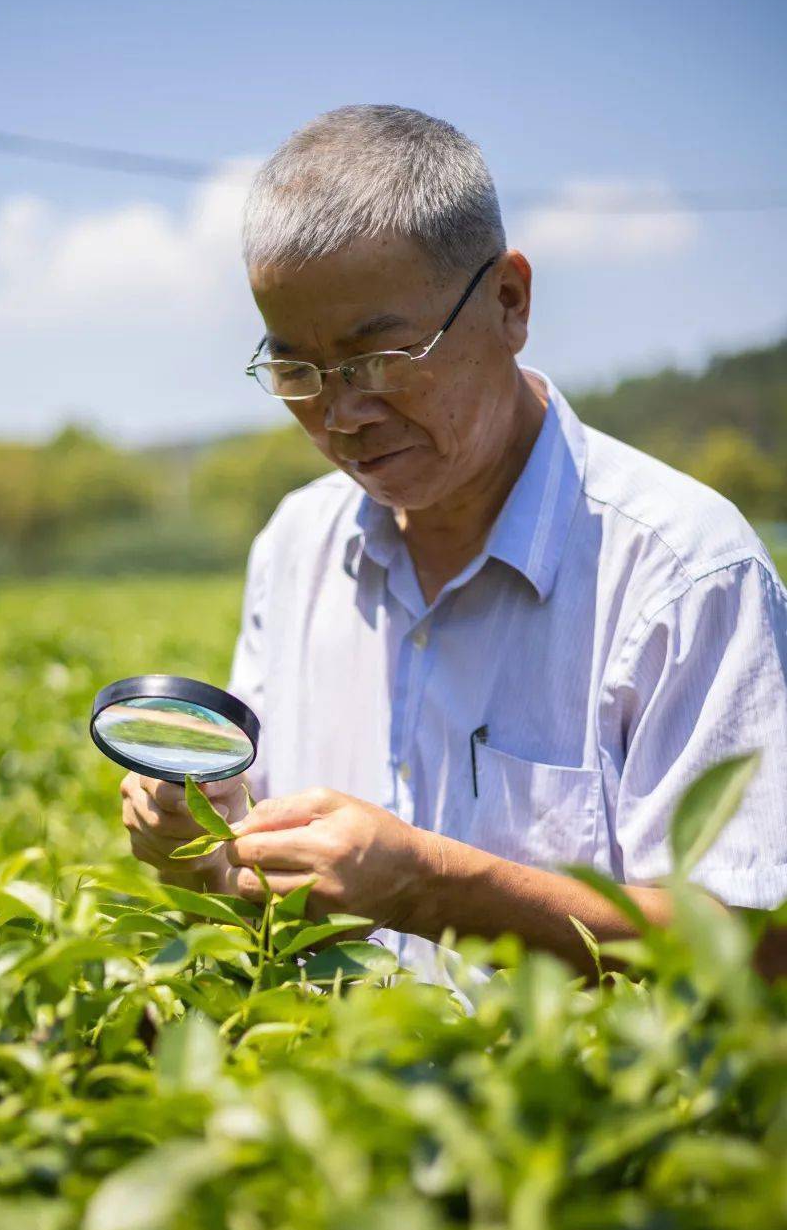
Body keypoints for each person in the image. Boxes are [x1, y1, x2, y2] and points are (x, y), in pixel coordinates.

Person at [120, 105, 787, 985]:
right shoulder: (296, 547)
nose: (342, 414)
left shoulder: (684, 573)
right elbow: (254, 876)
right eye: (297, 373)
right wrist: (192, 845)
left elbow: (756, 952)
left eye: (382, 358)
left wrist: (433, 888)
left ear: (510, 303)